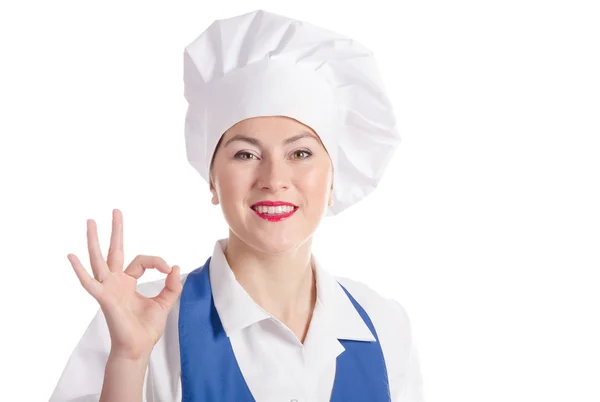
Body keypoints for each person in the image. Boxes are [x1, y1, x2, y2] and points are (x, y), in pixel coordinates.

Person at [49, 9, 424, 402]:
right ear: (212, 179)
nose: (274, 178)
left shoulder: (384, 325)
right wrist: (129, 358)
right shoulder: (142, 322)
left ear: (333, 180)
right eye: (245, 155)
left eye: (300, 153)